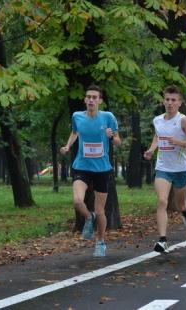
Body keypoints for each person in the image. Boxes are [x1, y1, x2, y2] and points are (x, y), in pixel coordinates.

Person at [60, 85, 122, 257]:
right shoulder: (77, 116)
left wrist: (112, 136)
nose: (91, 100)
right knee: (78, 201)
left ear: (100, 101)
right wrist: (68, 145)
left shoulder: (108, 117)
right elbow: (74, 132)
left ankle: (100, 242)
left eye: (95, 97)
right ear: (85, 100)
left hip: (102, 169)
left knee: (100, 210)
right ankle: (88, 217)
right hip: (82, 166)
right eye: (88, 97)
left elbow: (118, 142)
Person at [144, 85, 186, 253]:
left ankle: (185, 210)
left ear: (179, 103)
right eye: (167, 100)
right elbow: (158, 135)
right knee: (162, 201)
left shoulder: (183, 120)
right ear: (163, 101)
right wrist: (151, 149)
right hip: (163, 168)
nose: (169, 103)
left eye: (173, 100)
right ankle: (162, 240)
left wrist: (178, 142)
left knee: (180, 204)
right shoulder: (157, 120)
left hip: (181, 169)